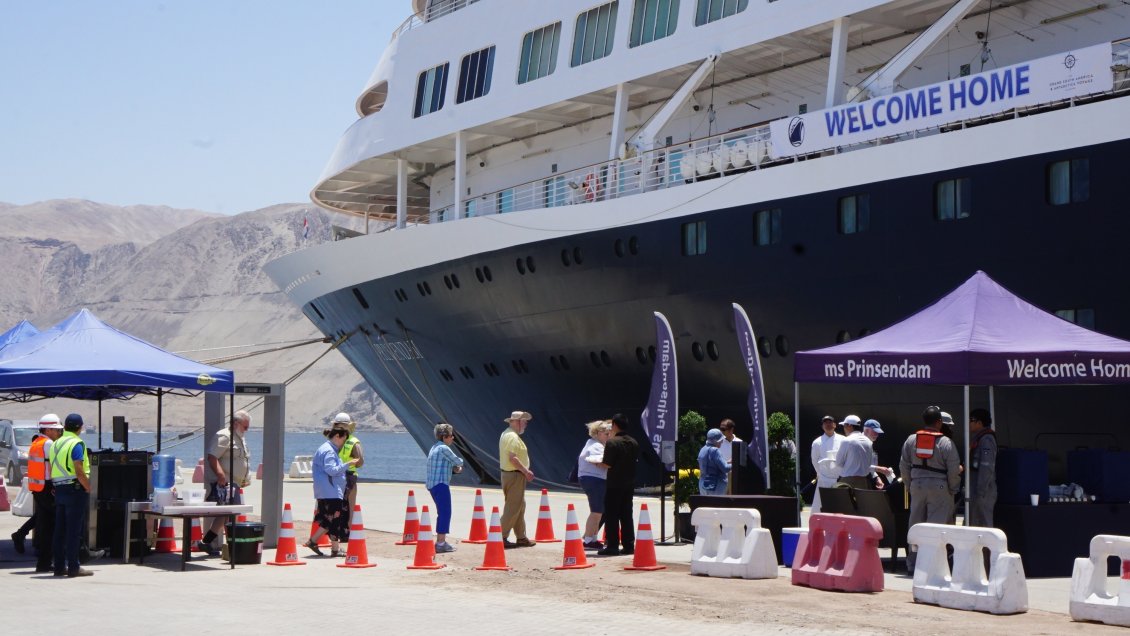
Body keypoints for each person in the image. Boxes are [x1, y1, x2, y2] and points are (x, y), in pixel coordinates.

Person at [900, 405, 961, 574]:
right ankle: (932, 565)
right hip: (940, 487)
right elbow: (954, 469)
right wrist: (953, 488)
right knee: (936, 527)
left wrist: (910, 484)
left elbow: (903, 465)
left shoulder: (911, 440)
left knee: (916, 526)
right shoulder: (946, 442)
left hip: (917, 485)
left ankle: (913, 564)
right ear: (939, 422)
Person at [13, 414, 64, 572]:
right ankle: (65, 558)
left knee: (44, 522)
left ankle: (42, 561)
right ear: (48, 430)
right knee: (57, 523)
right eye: (56, 430)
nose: (59, 433)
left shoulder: (36, 442)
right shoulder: (48, 444)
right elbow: (58, 465)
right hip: (47, 487)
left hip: (38, 488)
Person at [196, 410, 252, 555]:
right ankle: (229, 545)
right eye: (245, 427)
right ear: (236, 423)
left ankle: (206, 543)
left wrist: (245, 478)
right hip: (225, 483)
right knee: (229, 514)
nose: (247, 430)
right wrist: (220, 475)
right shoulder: (224, 436)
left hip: (236, 483)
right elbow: (212, 457)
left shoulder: (239, 438)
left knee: (226, 514)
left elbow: (242, 459)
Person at [305, 422, 359, 556]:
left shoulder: (327, 449)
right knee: (335, 519)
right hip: (330, 491)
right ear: (336, 436)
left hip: (326, 490)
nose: (343, 443)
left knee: (327, 520)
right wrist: (348, 464)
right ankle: (335, 549)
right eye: (343, 439)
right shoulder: (329, 450)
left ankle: (313, 541)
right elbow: (331, 470)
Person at [49, 413, 92, 577]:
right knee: (74, 531)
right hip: (74, 490)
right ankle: (74, 567)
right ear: (80, 427)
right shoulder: (76, 443)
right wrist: (88, 487)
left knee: (59, 530)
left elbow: (51, 468)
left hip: (59, 489)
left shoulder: (55, 444)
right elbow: (79, 470)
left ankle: (59, 567)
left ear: (65, 426)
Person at [597, 413, 639, 557]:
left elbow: (607, 463)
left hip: (614, 484)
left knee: (612, 515)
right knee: (627, 514)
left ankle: (613, 546)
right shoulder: (633, 442)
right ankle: (628, 545)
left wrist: (597, 463)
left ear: (614, 425)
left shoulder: (612, 442)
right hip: (629, 484)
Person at [426, 422, 464, 553]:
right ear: (445, 436)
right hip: (441, 484)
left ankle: (441, 540)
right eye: (451, 436)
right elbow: (458, 461)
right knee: (445, 513)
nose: (453, 438)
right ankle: (441, 543)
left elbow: (441, 465)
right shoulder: (444, 448)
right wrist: (458, 467)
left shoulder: (434, 447)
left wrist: (453, 469)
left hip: (433, 484)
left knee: (441, 512)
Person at [499, 410, 535, 548]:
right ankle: (500, 537)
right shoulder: (512, 437)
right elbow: (513, 458)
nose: (526, 424)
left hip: (511, 475)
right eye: (524, 421)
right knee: (513, 508)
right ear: (516, 422)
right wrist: (526, 471)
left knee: (519, 506)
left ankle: (521, 537)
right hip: (515, 475)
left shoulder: (507, 434)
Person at [577, 420, 612, 550]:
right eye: (605, 433)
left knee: (598, 511)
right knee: (596, 512)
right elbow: (597, 460)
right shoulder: (596, 446)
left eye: (609, 433)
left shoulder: (592, 443)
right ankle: (588, 540)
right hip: (594, 479)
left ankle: (592, 538)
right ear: (597, 433)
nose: (608, 435)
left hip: (592, 478)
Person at [333, 412, 364, 525]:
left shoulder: (352, 442)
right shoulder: (336, 441)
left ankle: (346, 532)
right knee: (344, 506)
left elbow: (360, 461)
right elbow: (360, 461)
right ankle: (343, 532)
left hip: (348, 476)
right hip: (339, 476)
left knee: (347, 506)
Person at [968, 408, 998, 527]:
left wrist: (981, 490)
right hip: (976, 488)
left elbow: (987, 466)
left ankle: (987, 546)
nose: (969, 423)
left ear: (979, 423)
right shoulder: (978, 438)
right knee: (974, 522)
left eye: (971, 420)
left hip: (983, 489)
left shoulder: (987, 439)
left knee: (984, 522)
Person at [810, 415, 844, 513]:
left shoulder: (843, 440)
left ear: (835, 425)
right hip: (823, 478)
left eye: (830, 422)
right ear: (822, 426)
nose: (828, 425)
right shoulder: (817, 442)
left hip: (839, 478)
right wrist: (820, 474)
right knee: (819, 505)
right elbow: (814, 460)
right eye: (825, 423)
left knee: (839, 505)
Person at [834, 415, 876, 489]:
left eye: (844, 426)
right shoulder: (869, 441)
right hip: (863, 482)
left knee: (844, 501)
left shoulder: (846, 440)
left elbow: (838, 462)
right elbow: (869, 463)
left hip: (847, 481)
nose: (844, 428)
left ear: (849, 426)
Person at [698, 428, 729, 495]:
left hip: (702, 484)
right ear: (716, 441)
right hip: (715, 485)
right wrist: (735, 463)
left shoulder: (703, 449)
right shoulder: (715, 451)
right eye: (721, 440)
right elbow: (725, 468)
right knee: (715, 505)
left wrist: (727, 462)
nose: (722, 442)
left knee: (705, 505)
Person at [718, 419, 742, 493]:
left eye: (723, 429)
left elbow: (742, 461)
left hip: (735, 479)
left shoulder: (740, 442)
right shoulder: (718, 443)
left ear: (731, 430)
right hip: (720, 478)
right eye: (721, 429)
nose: (721, 431)